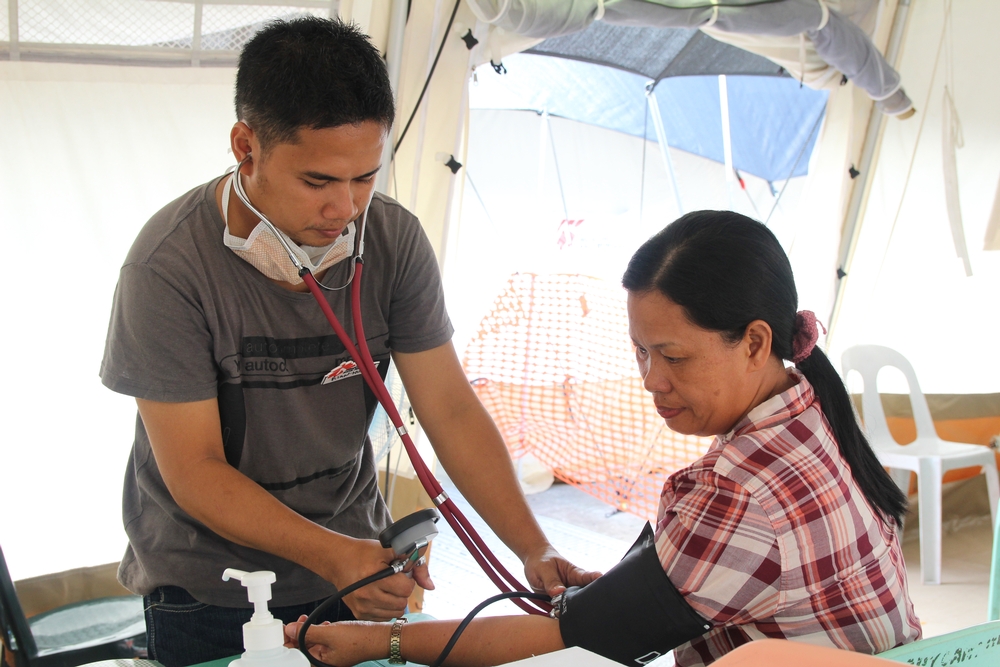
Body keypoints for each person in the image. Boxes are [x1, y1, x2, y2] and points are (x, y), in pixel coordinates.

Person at [99, 17, 597, 667]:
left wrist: (532, 546)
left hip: (351, 563)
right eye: (318, 181)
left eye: (365, 176)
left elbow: (447, 408)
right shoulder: (169, 267)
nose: (347, 208)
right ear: (246, 146)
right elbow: (193, 469)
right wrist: (338, 555)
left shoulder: (391, 241)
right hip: (209, 585)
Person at [287, 211, 921, 667]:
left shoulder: (737, 491)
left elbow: (578, 639)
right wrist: (625, 584)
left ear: (755, 342)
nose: (652, 381)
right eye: (641, 352)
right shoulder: (808, 405)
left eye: (673, 357)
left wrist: (381, 643)